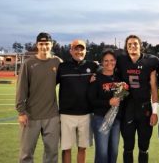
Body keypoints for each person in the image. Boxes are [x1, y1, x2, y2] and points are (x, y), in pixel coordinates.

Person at [16, 32, 61, 163]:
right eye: (41, 44)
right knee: (26, 154)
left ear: (51, 45)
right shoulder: (28, 64)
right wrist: (21, 112)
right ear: (37, 45)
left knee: (52, 153)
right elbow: (21, 89)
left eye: (47, 44)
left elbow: (69, 75)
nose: (44, 47)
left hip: (51, 115)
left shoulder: (57, 62)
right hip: (31, 115)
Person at [116, 35, 159, 163]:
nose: (132, 46)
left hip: (144, 107)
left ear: (141, 45)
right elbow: (107, 68)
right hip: (127, 108)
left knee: (144, 146)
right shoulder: (121, 60)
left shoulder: (151, 61)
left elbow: (154, 87)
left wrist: (155, 111)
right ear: (126, 47)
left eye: (135, 43)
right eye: (129, 44)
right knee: (128, 146)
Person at [57, 39, 98, 163]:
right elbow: (49, 85)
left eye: (82, 49)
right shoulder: (62, 67)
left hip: (86, 114)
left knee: (82, 148)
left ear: (85, 51)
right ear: (71, 51)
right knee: (66, 148)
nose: (79, 51)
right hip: (66, 114)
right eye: (76, 49)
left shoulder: (93, 66)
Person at [88, 49, 126, 163]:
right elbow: (91, 100)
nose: (109, 63)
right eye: (106, 61)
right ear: (102, 62)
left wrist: (123, 92)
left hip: (116, 120)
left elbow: (121, 98)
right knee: (102, 153)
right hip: (101, 119)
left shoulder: (119, 77)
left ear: (115, 61)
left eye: (112, 60)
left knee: (113, 153)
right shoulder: (96, 78)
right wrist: (108, 102)